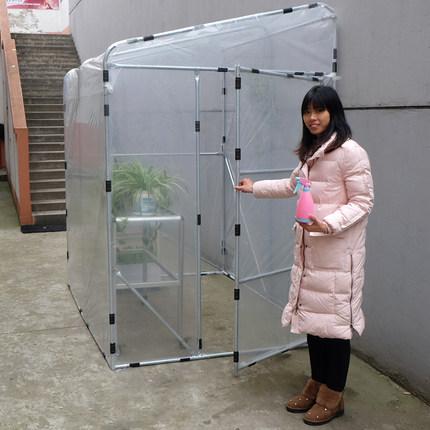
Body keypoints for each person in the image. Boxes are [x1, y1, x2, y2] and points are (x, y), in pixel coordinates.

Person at [235, 85, 374, 426]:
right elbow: (293, 186)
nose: (312, 117)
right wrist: (255, 188)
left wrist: (326, 224)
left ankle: (333, 395)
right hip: (310, 253)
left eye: (319, 110)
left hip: (338, 257)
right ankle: (317, 382)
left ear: (333, 113)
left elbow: (363, 202)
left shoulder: (351, 152)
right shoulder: (312, 152)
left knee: (335, 328)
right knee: (315, 323)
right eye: (307, 111)